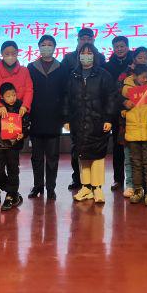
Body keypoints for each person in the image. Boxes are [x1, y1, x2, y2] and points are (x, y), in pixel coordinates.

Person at [65, 43, 119, 204]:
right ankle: (86, 187)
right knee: (82, 155)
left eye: (89, 53)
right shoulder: (73, 75)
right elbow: (67, 98)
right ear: (78, 56)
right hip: (78, 121)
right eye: (83, 53)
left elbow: (111, 98)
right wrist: (66, 119)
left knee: (97, 155)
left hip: (98, 121)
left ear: (95, 56)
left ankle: (97, 188)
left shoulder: (103, 75)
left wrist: (108, 118)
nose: (86, 56)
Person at [63, 28, 107, 190]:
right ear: (78, 40)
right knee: (77, 148)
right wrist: (66, 116)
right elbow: (66, 89)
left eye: (89, 39)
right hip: (77, 112)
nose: (86, 41)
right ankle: (78, 179)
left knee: (96, 150)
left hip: (95, 113)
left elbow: (105, 88)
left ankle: (95, 185)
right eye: (83, 38)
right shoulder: (68, 58)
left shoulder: (100, 58)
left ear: (93, 40)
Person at [27, 34, 66, 200]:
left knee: (52, 157)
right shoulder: (31, 67)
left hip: (54, 118)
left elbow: (65, 94)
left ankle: (51, 188)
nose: (46, 47)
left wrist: (64, 116)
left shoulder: (61, 68)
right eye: (43, 44)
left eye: (50, 44)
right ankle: (37, 186)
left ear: (54, 48)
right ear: (39, 47)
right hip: (36, 118)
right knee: (36, 157)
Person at [121, 64, 147, 206]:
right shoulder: (126, 90)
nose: (145, 80)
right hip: (132, 133)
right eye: (143, 77)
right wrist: (124, 108)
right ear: (134, 76)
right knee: (135, 164)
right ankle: (138, 189)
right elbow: (118, 106)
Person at [0, 82, 29, 211]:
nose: (12, 98)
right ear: (2, 97)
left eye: (13, 95)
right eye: (8, 96)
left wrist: (23, 134)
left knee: (13, 170)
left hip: (13, 145)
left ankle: (10, 196)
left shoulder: (20, 107)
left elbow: (26, 125)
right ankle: (12, 191)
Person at [104, 36, 132, 193]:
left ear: (127, 47)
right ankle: (118, 179)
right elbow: (108, 90)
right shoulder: (108, 66)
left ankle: (135, 181)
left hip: (134, 110)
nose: (119, 49)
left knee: (136, 148)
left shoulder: (135, 63)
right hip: (116, 111)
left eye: (122, 46)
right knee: (117, 146)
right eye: (116, 47)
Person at [0, 40, 34, 124]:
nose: (10, 56)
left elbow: (29, 90)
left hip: (19, 112)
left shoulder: (24, 70)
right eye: (7, 54)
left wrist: (25, 106)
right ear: (1, 53)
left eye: (13, 53)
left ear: (17, 53)